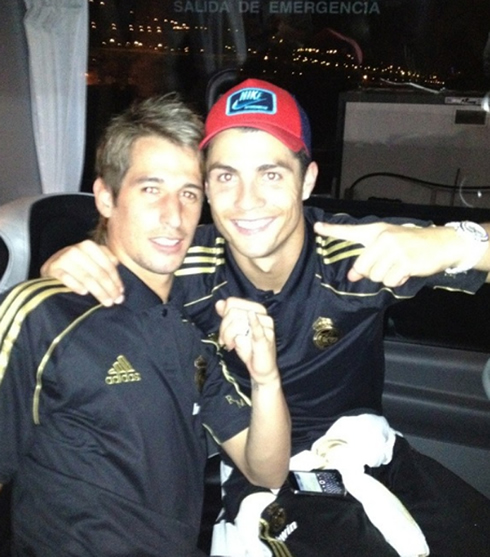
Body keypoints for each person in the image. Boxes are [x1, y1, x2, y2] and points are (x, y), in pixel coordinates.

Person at [42, 79, 490, 556]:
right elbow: (99, 273)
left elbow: (461, 248)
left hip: (377, 456)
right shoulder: (182, 264)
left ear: (308, 180)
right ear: (207, 187)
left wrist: (455, 242)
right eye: (226, 176)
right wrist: (64, 264)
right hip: (265, 482)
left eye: (271, 174)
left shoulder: (358, 253)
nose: (247, 200)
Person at [0, 94, 291, 557]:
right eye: (151, 189)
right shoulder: (45, 315)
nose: (174, 217)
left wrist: (266, 377)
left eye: (190, 193)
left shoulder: (191, 331)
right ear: (106, 197)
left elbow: (266, 471)